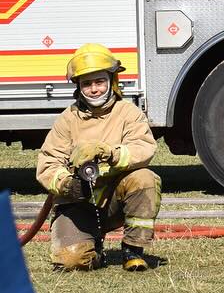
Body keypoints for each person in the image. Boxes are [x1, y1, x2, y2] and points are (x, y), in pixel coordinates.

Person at [35, 44, 161, 272]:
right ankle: (94, 252)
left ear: (112, 81)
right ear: (79, 87)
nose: (94, 89)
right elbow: (48, 164)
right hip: (78, 205)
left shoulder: (128, 113)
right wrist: (68, 185)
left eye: (99, 81)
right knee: (71, 262)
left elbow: (144, 148)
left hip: (115, 200)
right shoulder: (67, 119)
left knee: (145, 178)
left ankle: (133, 249)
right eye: (87, 83)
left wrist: (111, 154)